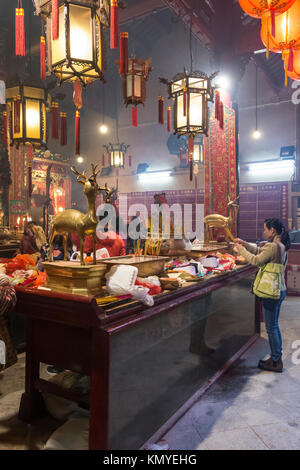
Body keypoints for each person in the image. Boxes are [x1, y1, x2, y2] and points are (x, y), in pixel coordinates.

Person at [234, 218, 290, 373]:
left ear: (272, 230)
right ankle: (276, 357)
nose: (264, 232)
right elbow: (260, 252)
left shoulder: (272, 246)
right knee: (274, 326)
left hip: (270, 291)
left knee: (271, 327)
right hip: (280, 289)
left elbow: (256, 260)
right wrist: (245, 243)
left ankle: (276, 361)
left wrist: (240, 250)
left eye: (266, 229)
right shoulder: (281, 246)